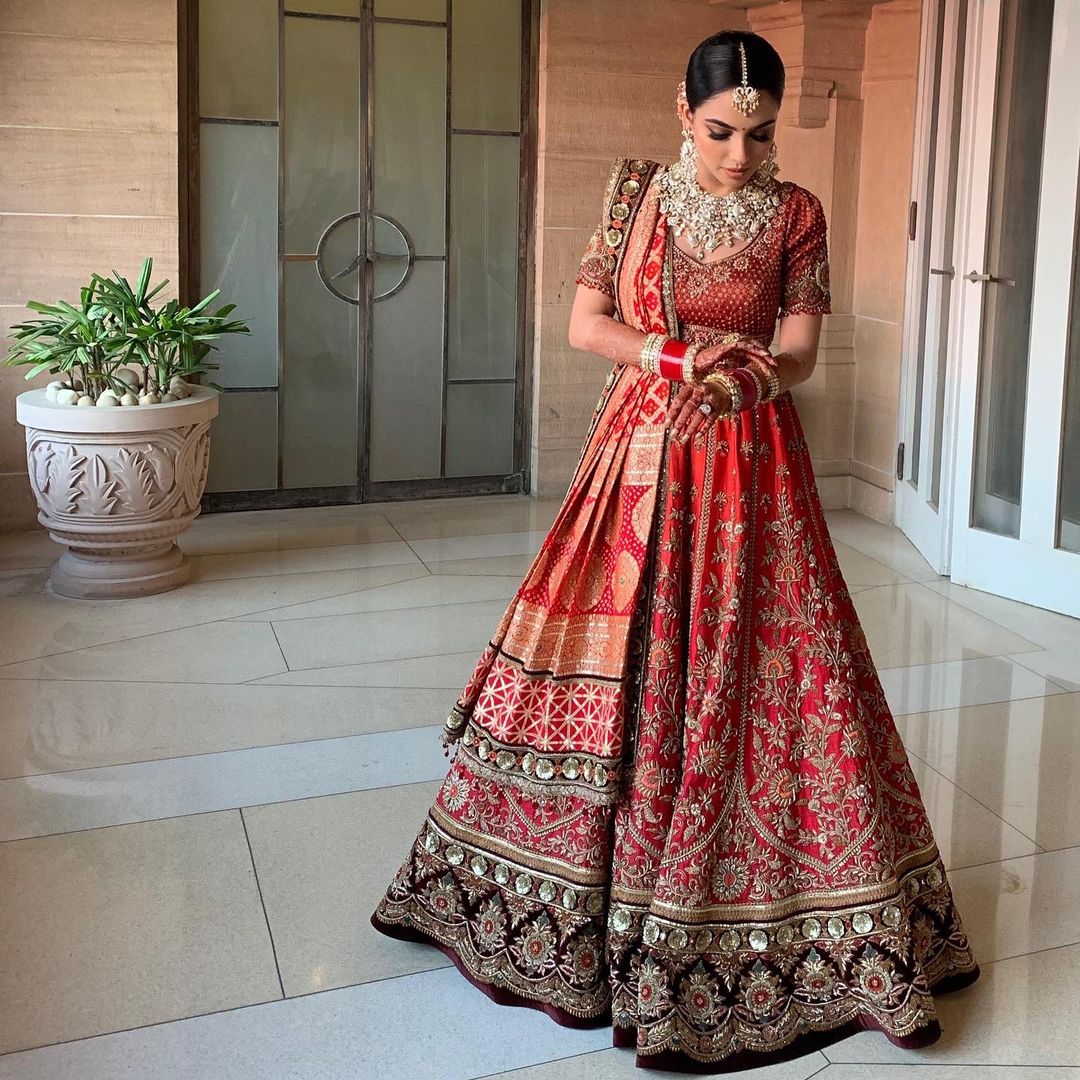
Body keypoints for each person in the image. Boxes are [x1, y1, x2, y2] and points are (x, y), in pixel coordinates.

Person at [371, 29, 980, 1073]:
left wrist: (748, 380)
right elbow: (583, 323)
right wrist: (677, 355)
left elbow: (799, 351)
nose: (739, 154)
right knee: (613, 659)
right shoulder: (632, 194)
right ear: (681, 111)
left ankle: (788, 911)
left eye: (759, 133)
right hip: (642, 449)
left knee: (772, 670)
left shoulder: (797, 215)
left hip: (749, 461)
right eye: (719, 130)